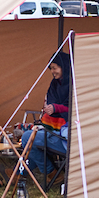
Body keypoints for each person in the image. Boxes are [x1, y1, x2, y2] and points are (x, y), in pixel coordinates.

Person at [20, 51, 71, 184]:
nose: (52, 71)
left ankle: (50, 172)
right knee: (30, 138)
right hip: (54, 132)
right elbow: (51, 104)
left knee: (27, 138)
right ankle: (20, 173)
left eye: (55, 67)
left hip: (66, 138)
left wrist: (56, 108)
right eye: (51, 68)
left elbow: (75, 109)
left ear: (64, 66)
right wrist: (50, 109)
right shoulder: (55, 84)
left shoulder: (74, 85)